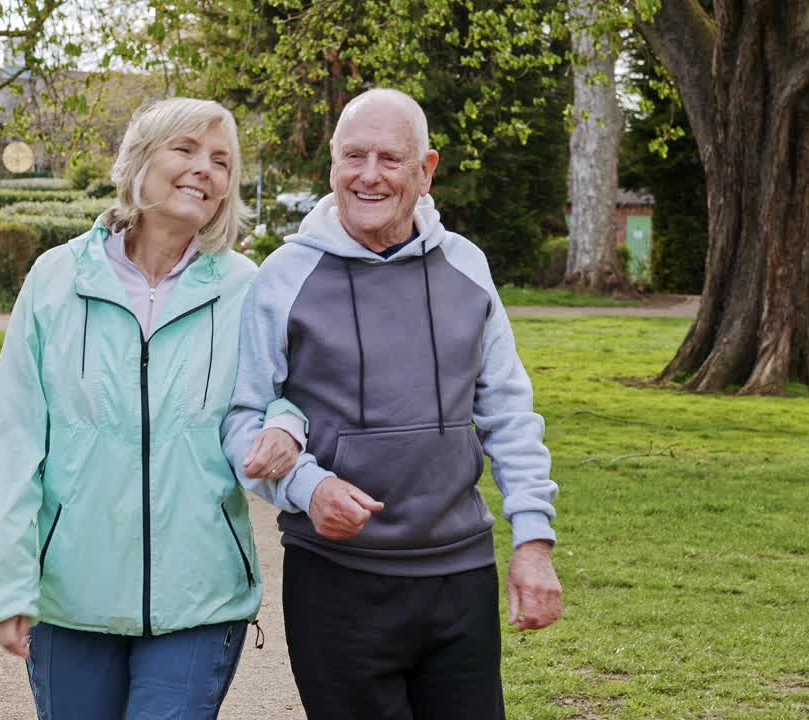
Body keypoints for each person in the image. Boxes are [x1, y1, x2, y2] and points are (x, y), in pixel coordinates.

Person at [223, 88, 563, 720]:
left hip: (458, 577)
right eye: (354, 156)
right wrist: (306, 486)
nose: (369, 175)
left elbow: (509, 412)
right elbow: (242, 419)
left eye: (390, 158)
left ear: (426, 170)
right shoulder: (284, 276)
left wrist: (533, 541)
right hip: (334, 581)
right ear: (332, 164)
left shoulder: (466, 267)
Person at [0, 97, 304, 720]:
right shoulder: (56, 279)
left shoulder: (247, 288)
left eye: (221, 160)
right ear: (139, 160)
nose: (205, 169)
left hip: (200, 599)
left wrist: (287, 424)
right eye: (186, 149)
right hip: (72, 596)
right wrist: (6, 581)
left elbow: (287, 391)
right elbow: (13, 439)